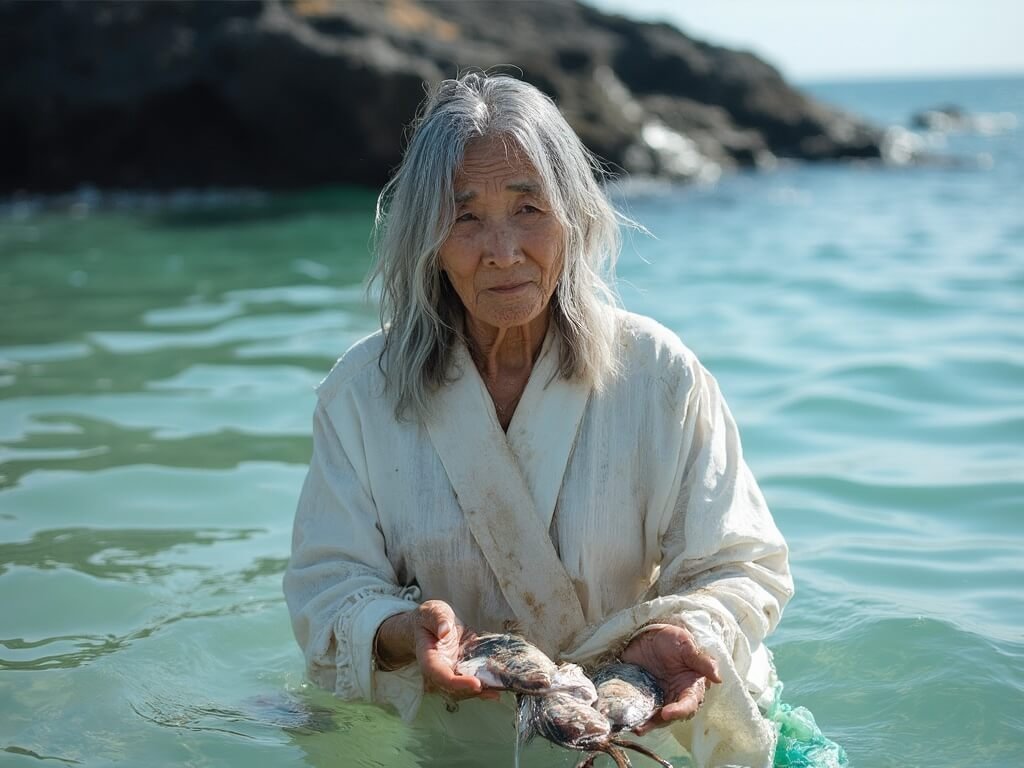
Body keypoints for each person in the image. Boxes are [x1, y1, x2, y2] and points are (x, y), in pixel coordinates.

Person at [283, 72, 794, 768]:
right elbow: (327, 585)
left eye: (529, 208)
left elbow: (743, 563)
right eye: (465, 217)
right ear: (425, 237)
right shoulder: (361, 393)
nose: (502, 249)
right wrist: (405, 631)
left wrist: (681, 636)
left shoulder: (656, 372)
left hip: (633, 723)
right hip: (457, 732)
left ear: (575, 214)